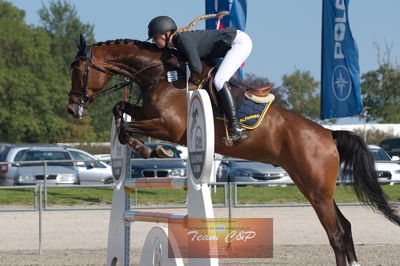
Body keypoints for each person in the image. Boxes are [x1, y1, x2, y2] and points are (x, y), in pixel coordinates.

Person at [147, 15, 252, 142]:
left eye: (155, 37)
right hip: (233, 43)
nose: (153, 41)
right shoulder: (179, 44)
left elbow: (197, 69)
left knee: (219, 80)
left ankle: (236, 126)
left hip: (239, 43)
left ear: (165, 34)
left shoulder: (183, 40)